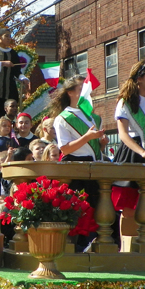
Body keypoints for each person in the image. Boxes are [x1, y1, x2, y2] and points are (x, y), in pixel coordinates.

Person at [111, 60, 145, 216]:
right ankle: (127, 240)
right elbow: (123, 134)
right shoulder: (125, 102)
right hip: (132, 153)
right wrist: (142, 153)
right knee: (128, 205)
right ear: (139, 79)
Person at [50, 75, 106, 207]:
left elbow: (94, 148)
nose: (86, 92)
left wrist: (102, 144)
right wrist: (87, 137)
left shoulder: (95, 118)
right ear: (70, 92)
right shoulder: (63, 118)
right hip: (76, 169)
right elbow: (64, 149)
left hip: (96, 167)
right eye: (82, 88)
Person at [0, 28, 30, 118]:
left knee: (10, 115)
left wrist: (24, 78)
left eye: (10, 36)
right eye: (6, 36)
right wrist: (3, 63)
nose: (9, 38)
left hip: (10, 91)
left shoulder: (13, 53)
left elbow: (17, 71)